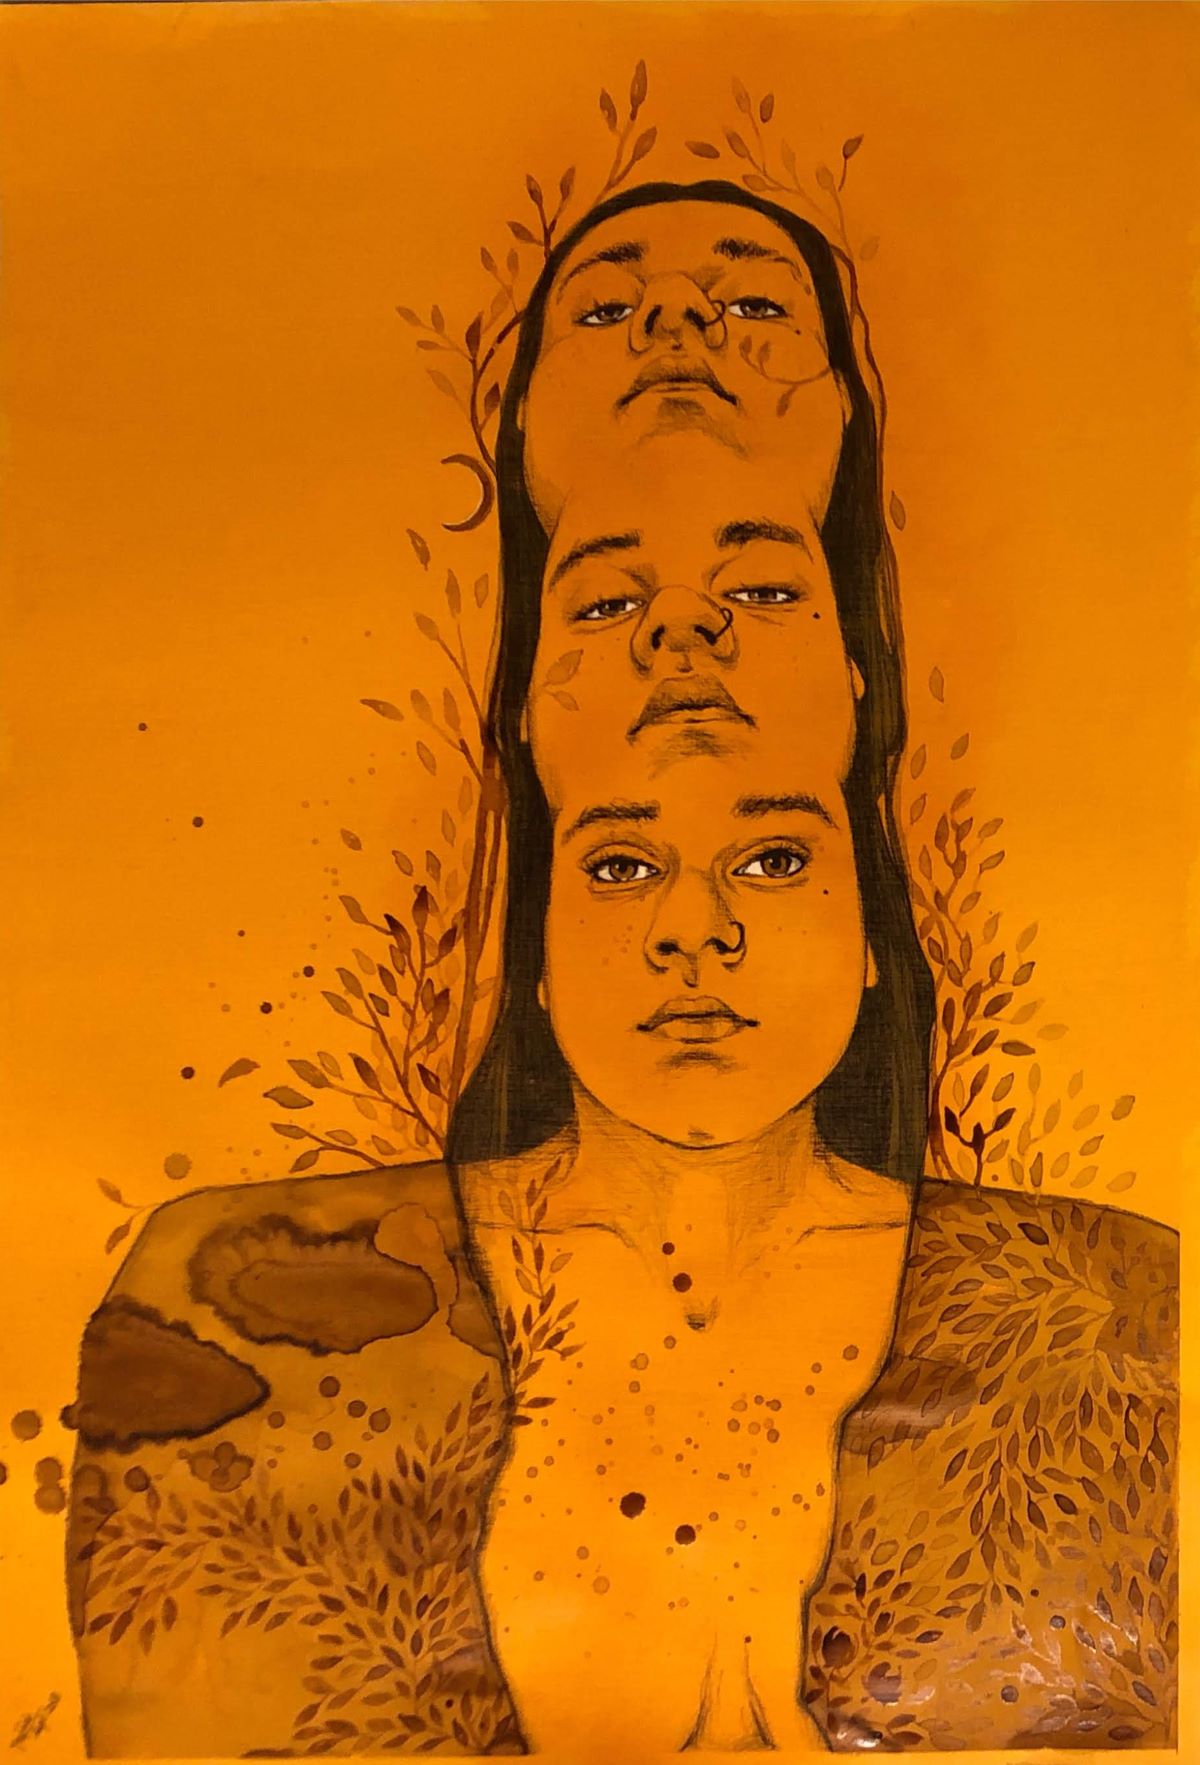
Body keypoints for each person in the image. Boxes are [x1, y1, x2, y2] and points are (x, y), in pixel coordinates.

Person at [66, 184, 1177, 1759]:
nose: (693, 930)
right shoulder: (238, 1299)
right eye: (619, 865)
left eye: (776, 860)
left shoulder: (1120, 1321)